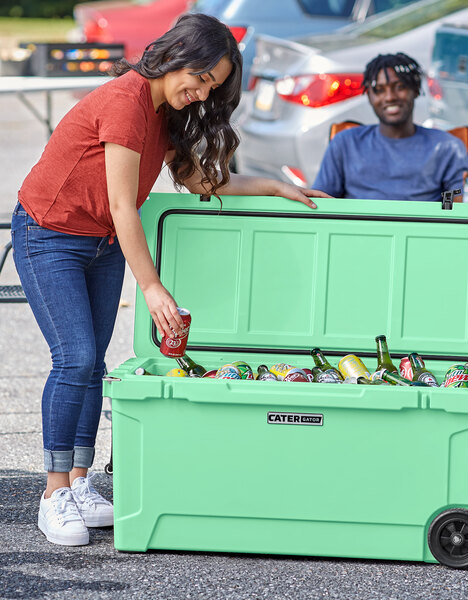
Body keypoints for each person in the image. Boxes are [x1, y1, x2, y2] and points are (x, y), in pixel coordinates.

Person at [12, 13, 327, 547]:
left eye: (212, 86)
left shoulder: (163, 112)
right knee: (75, 359)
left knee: (94, 364)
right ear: (177, 54)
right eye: (200, 77)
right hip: (50, 234)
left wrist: (274, 188)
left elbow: (198, 179)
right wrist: (151, 286)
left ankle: (82, 483)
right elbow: (120, 202)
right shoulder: (125, 100)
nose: (201, 91)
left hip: (103, 241)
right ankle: (53, 494)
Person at [313, 52, 468, 203]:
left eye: (399, 87)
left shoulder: (446, 146)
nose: (389, 97)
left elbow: (452, 201)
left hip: (424, 237)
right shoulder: (346, 143)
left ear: (415, 90)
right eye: (379, 90)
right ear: (369, 96)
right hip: (359, 236)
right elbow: (323, 201)